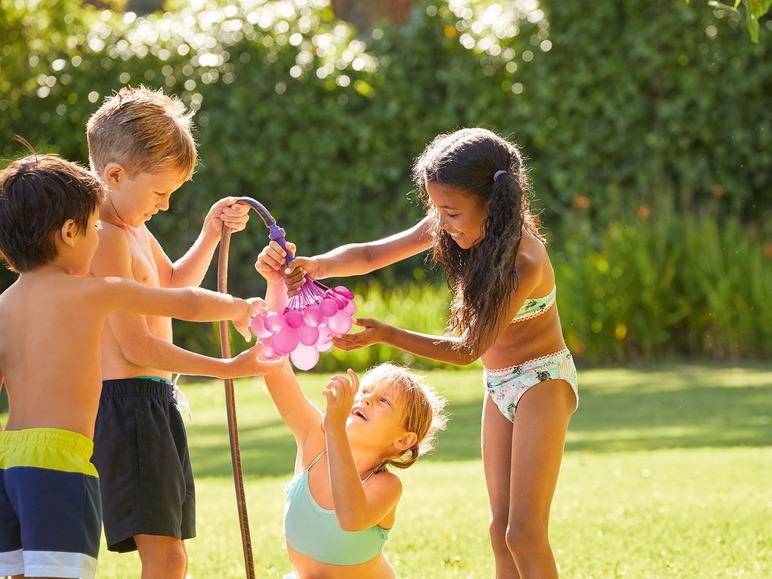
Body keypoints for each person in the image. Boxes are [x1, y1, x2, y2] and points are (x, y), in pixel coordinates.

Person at [259, 127, 579, 578]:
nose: (441, 223)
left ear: (491, 202)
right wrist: (318, 265)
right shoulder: (449, 224)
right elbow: (372, 254)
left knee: (523, 533)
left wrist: (387, 333)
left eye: (450, 212)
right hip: (500, 384)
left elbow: (468, 348)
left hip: (542, 380)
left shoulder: (525, 260)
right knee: (499, 530)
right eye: (436, 210)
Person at [0, 154, 281, 579]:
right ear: (69, 231)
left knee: (17, 573)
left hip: (8, 461)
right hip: (60, 462)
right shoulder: (94, 294)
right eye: (94, 226)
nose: (100, 235)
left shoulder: (3, 308)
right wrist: (239, 308)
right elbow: (184, 301)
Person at [84, 85, 269, 578]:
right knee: (165, 557)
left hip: (152, 401)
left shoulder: (133, 227)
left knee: (172, 555)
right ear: (115, 175)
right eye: (161, 193)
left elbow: (171, 285)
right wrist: (226, 369)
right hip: (126, 406)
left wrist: (210, 232)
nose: (164, 206)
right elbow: (137, 344)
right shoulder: (105, 238)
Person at [255, 253, 448, 578]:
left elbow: (351, 517)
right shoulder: (316, 440)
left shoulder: (386, 486)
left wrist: (334, 429)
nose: (367, 400)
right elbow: (274, 369)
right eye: (366, 393)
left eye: (383, 401)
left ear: (403, 439)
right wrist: (276, 285)